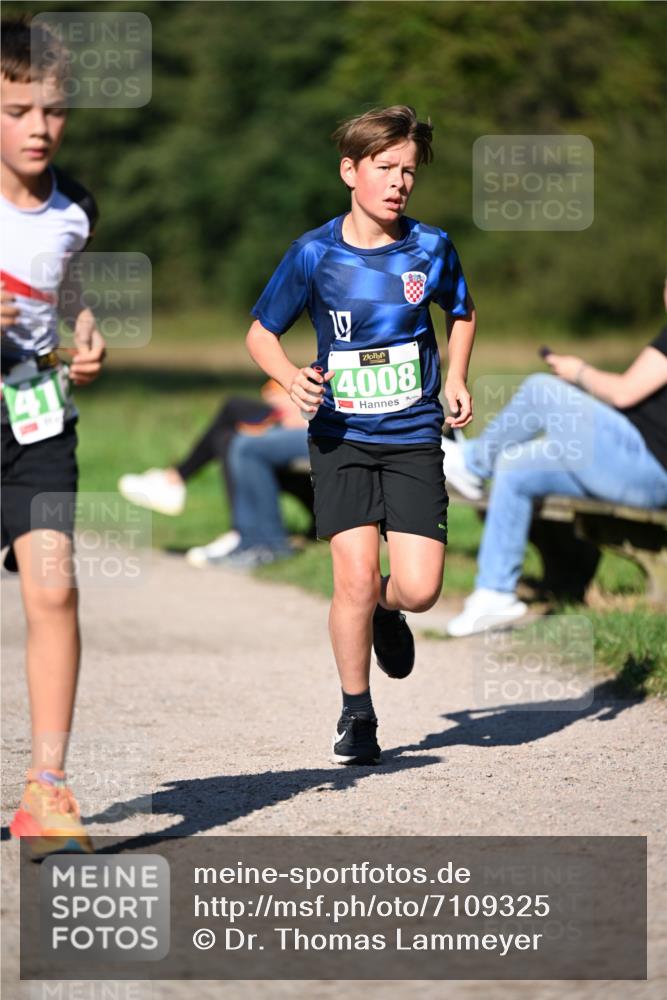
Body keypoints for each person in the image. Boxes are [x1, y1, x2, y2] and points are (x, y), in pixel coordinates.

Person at [245, 106, 476, 764]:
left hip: (410, 433)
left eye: (408, 171)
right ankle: (357, 713)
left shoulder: (429, 248)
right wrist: (290, 377)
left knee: (422, 586)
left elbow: (461, 311)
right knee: (349, 578)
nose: (399, 182)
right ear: (350, 171)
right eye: (385, 168)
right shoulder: (313, 254)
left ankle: (387, 609)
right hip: (339, 434)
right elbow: (261, 334)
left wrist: (456, 377)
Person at [1, 19, 106, 856]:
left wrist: (86, 332)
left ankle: (48, 784)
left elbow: (66, 290)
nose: (39, 127)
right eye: (17, 109)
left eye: (54, 109)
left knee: (55, 583)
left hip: (35, 415)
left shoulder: (75, 210)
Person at [444, 297, 667, 637]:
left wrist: (577, 371)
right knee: (516, 467)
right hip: (632, 465)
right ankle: (495, 593)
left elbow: (624, 393)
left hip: (646, 468)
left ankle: (473, 464)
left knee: (542, 390)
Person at [118, 379, 310, 567]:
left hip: (322, 425)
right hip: (313, 415)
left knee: (243, 438)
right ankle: (244, 534)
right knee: (227, 436)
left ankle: (263, 542)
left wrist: (304, 406)